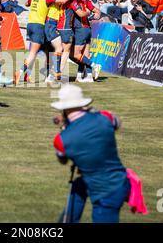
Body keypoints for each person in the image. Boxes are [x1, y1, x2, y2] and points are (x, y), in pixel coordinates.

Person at [51, 84, 132, 223]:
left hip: (105, 192)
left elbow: (62, 159)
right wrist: (90, 113)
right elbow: (117, 122)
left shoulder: (61, 139)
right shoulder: (104, 117)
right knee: (78, 185)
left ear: (64, 108)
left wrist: (65, 128)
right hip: (121, 181)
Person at [14, 0, 80, 84]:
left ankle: (30, 75)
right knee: (34, 53)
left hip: (30, 24)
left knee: (42, 51)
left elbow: (27, 3)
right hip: (39, 25)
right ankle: (20, 71)